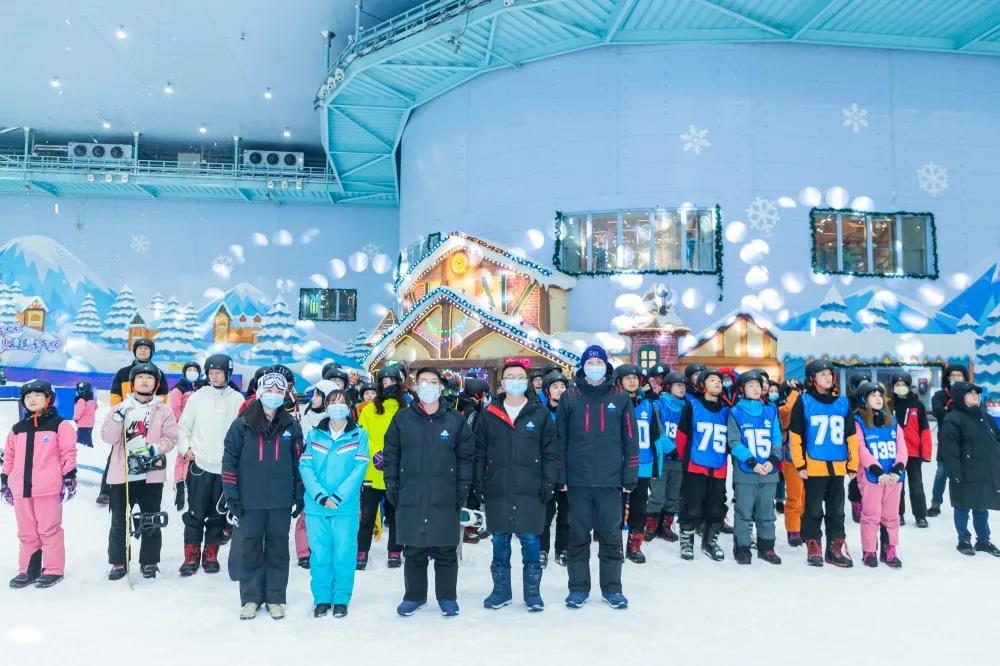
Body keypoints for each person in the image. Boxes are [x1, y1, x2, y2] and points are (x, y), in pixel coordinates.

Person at [384, 367, 474, 618]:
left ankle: (447, 597)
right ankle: (414, 596)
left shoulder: (454, 419)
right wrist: (391, 480)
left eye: (432, 382)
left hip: (445, 492)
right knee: (414, 549)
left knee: (446, 549)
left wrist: (463, 486)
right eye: (423, 381)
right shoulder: (403, 418)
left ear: (440, 386)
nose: (427, 386)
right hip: (410, 491)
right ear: (415, 385)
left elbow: (467, 456)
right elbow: (391, 452)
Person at [558, 346, 638, 610]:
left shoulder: (621, 398)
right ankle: (578, 588)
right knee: (578, 536)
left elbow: (631, 439)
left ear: (606, 366)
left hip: (610, 480)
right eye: (590, 361)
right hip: (578, 481)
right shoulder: (570, 397)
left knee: (611, 536)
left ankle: (612, 588)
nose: (594, 365)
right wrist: (562, 475)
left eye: (598, 361)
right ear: (582, 366)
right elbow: (561, 441)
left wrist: (630, 475)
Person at [474, 362, 557, 611]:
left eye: (520, 377)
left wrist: (549, 481)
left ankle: (532, 592)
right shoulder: (489, 413)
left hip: (530, 488)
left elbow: (551, 452)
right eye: (510, 377)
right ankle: (501, 591)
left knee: (531, 539)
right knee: (499, 539)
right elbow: (478, 451)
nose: (515, 381)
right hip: (498, 487)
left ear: (528, 381)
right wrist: (479, 482)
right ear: (502, 383)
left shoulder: (539, 413)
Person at [222, 368, 304, 620]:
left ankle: (276, 597)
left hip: (280, 500)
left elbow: (299, 463)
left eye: (279, 390)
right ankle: (250, 598)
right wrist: (232, 496)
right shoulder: (241, 425)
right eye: (269, 389)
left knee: (278, 549)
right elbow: (229, 463)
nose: (274, 394)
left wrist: (299, 493)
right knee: (250, 550)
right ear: (259, 392)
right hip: (250, 500)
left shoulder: (292, 426)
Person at [100, 363, 178, 579]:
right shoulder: (120, 409)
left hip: (151, 475)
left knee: (151, 519)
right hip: (122, 475)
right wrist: (118, 418)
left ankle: (150, 561)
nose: (145, 381)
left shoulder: (163, 410)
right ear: (132, 383)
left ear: (157, 383)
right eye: (140, 377)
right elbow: (108, 438)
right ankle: (118, 561)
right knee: (119, 520)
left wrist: (155, 449)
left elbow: (171, 438)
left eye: (150, 378)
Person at [300, 390, 369, 618]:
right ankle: (321, 598)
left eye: (341, 403)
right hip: (316, 506)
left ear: (349, 407)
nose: (336, 406)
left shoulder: (359, 435)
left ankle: (341, 598)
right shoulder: (314, 434)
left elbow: (359, 469)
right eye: (332, 402)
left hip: (345, 507)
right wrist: (320, 496)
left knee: (344, 553)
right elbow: (306, 467)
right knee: (319, 554)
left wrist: (338, 497)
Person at [3, 381, 77, 588]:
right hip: (21, 489)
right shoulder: (17, 429)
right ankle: (28, 570)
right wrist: (5, 479)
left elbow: (68, 453)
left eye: (37, 395)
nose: (32, 399)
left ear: (48, 399)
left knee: (49, 529)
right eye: (28, 397)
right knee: (26, 531)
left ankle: (53, 569)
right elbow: (9, 457)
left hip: (47, 488)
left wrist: (69, 476)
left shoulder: (60, 425)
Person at [176, 353, 245, 576]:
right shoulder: (198, 397)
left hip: (224, 469)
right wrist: (185, 449)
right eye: (211, 373)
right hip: (200, 466)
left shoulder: (237, 400)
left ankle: (211, 553)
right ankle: (191, 554)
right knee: (195, 513)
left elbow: (242, 433)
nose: (214, 377)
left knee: (217, 515)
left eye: (219, 373)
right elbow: (183, 427)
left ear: (228, 373)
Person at [788, 359, 860, 567]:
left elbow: (851, 436)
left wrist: (852, 464)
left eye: (829, 373)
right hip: (813, 466)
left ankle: (835, 547)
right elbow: (796, 434)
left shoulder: (843, 402)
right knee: (813, 509)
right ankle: (814, 545)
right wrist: (800, 464)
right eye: (822, 374)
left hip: (837, 466)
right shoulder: (804, 401)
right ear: (812, 379)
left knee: (837, 510)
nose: (827, 377)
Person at [97, 337, 168, 504]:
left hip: (149, 422)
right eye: (140, 348)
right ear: (134, 351)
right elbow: (115, 396)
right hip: (125, 420)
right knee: (116, 454)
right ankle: (106, 490)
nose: (143, 350)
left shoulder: (158, 373)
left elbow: (163, 397)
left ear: (152, 352)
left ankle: (146, 489)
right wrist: (122, 413)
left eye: (147, 348)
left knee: (148, 453)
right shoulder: (123, 373)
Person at [727, 369, 783, 565]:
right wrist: (752, 462)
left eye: (758, 385)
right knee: (743, 511)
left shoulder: (770, 410)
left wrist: (773, 460)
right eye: (751, 385)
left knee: (767, 512)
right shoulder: (735, 412)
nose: (756, 388)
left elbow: (777, 438)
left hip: (769, 471)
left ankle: (766, 547)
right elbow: (734, 442)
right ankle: (742, 547)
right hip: (746, 472)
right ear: (742, 389)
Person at [938, 381, 1000, 557]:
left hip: (984, 470)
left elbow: (996, 439)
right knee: (962, 506)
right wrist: (955, 472)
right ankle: (963, 540)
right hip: (964, 472)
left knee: (981, 507)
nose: (975, 396)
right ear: (960, 396)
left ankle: (983, 541)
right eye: (970, 393)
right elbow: (949, 450)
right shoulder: (953, 419)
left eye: (976, 393)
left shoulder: (984, 416)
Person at [675, 369, 729, 562]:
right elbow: (681, 437)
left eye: (719, 381)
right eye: (712, 380)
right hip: (695, 466)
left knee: (715, 508)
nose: (717, 383)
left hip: (718, 467)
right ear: (702, 385)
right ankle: (687, 540)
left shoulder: (726, 410)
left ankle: (710, 541)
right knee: (692, 507)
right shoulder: (692, 406)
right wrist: (686, 460)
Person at [355, 366, 405, 570]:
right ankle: (362, 551)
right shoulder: (369, 409)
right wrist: (374, 454)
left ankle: (395, 549)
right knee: (367, 515)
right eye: (384, 382)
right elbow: (361, 437)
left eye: (392, 381)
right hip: (371, 470)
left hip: (397, 471)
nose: (388, 386)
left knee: (395, 515)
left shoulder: (407, 408)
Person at [853, 382, 906, 568]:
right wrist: (876, 470)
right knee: (871, 515)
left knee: (892, 516)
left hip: (893, 478)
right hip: (872, 477)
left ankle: (889, 549)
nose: (877, 399)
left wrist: (896, 469)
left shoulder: (892, 421)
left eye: (879, 395)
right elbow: (860, 449)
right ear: (863, 399)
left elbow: (902, 449)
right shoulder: (858, 421)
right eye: (872, 395)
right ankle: (869, 551)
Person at [615, 364, 659, 564]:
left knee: (639, 507)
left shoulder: (648, 405)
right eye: (627, 378)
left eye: (635, 378)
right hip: (619, 465)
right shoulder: (613, 403)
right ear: (619, 381)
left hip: (643, 463)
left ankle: (634, 544)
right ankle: (614, 544)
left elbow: (655, 435)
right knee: (616, 507)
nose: (632, 381)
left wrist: (657, 464)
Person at [646, 372, 686, 543]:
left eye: (684, 386)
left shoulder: (687, 407)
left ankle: (666, 526)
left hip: (680, 460)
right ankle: (651, 526)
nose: (682, 389)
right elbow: (657, 429)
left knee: (673, 496)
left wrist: (682, 452)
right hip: (662, 458)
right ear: (669, 387)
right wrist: (671, 449)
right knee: (658, 494)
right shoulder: (657, 405)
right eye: (678, 385)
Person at [889, 370, 932, 528]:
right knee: (897, 486)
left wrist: (926, 453)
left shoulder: (917, 405)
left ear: (908, 386)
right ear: (892, 387)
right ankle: (898, 514)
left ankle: (920, 516)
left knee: (916, 485)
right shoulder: (888, 405)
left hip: (914, 453)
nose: (900, 387)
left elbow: (925, 431)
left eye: (903, 384)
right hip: (894, 454)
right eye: (897, 385)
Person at [930, 364, 969, 516]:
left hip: (967, 442)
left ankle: (967, 501)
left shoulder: (970, 393)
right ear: (947, 378)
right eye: (953, 376)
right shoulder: (940, 395)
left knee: (967, 473)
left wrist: (949, 410)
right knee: (941, 473)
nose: (956, 378)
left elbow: (972, 413)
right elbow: (939, 412)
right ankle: (935, 503)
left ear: (965, 378)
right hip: (946, 441)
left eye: (959, 376)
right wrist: (955, 410)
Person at [456, 375, 491, 545]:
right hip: (471, 457)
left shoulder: (461, 406)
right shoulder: (471, 411)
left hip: (466, 456)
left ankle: (470, 526)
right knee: (471, 492)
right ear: (477, 395)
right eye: (483, 394)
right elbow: (472, 435)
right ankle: (468, 528)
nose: (484, 398)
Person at [540, 371, 569, 567]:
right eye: (555, 387)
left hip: (568, 472)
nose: (559, 390)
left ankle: (563, 549)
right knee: (544, 515)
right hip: (547, 471)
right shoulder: (540, 413)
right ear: (547, 391)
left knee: (566, 516)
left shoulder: (573, 412)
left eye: (562, 387)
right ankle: (542, 550)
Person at [168, 361, 204, 514]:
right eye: (189, 369)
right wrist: (182, 424)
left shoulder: (202, 388)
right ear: (184, 372)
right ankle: (180, 481)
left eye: (195, 369)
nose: (192, 372)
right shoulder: (178, 388)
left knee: (195, 454)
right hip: (184, 427)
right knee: (182, 454)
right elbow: (175, 408)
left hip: (200, 428)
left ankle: (191, 481)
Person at [777, 377, 804, 546]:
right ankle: (793, 529)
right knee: (794, 496)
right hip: (791, 456)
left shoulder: (807, 405)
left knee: (807, 496)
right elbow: (786, 412)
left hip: (810, 457)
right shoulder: (782, 408)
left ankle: (804, 525)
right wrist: (793, 392)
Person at [845, 371, 872, 523]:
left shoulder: (873, 399)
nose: (865, 387)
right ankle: (856, 502)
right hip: (854, 441)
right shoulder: (849, 403)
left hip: (870, 441)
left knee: (869, 474)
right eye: (861, 385)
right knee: (856, 473)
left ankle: (870, 503)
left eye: (867, 383)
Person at [73, 381, 97, 447]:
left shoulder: (81, 400)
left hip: (82, 425)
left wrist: (75, 418)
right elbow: (95, 407)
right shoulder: (91, 401)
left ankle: (87, 451)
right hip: (90, 425)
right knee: (87, 438)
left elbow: (78, 410)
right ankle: (89, 448)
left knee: (80, 441)